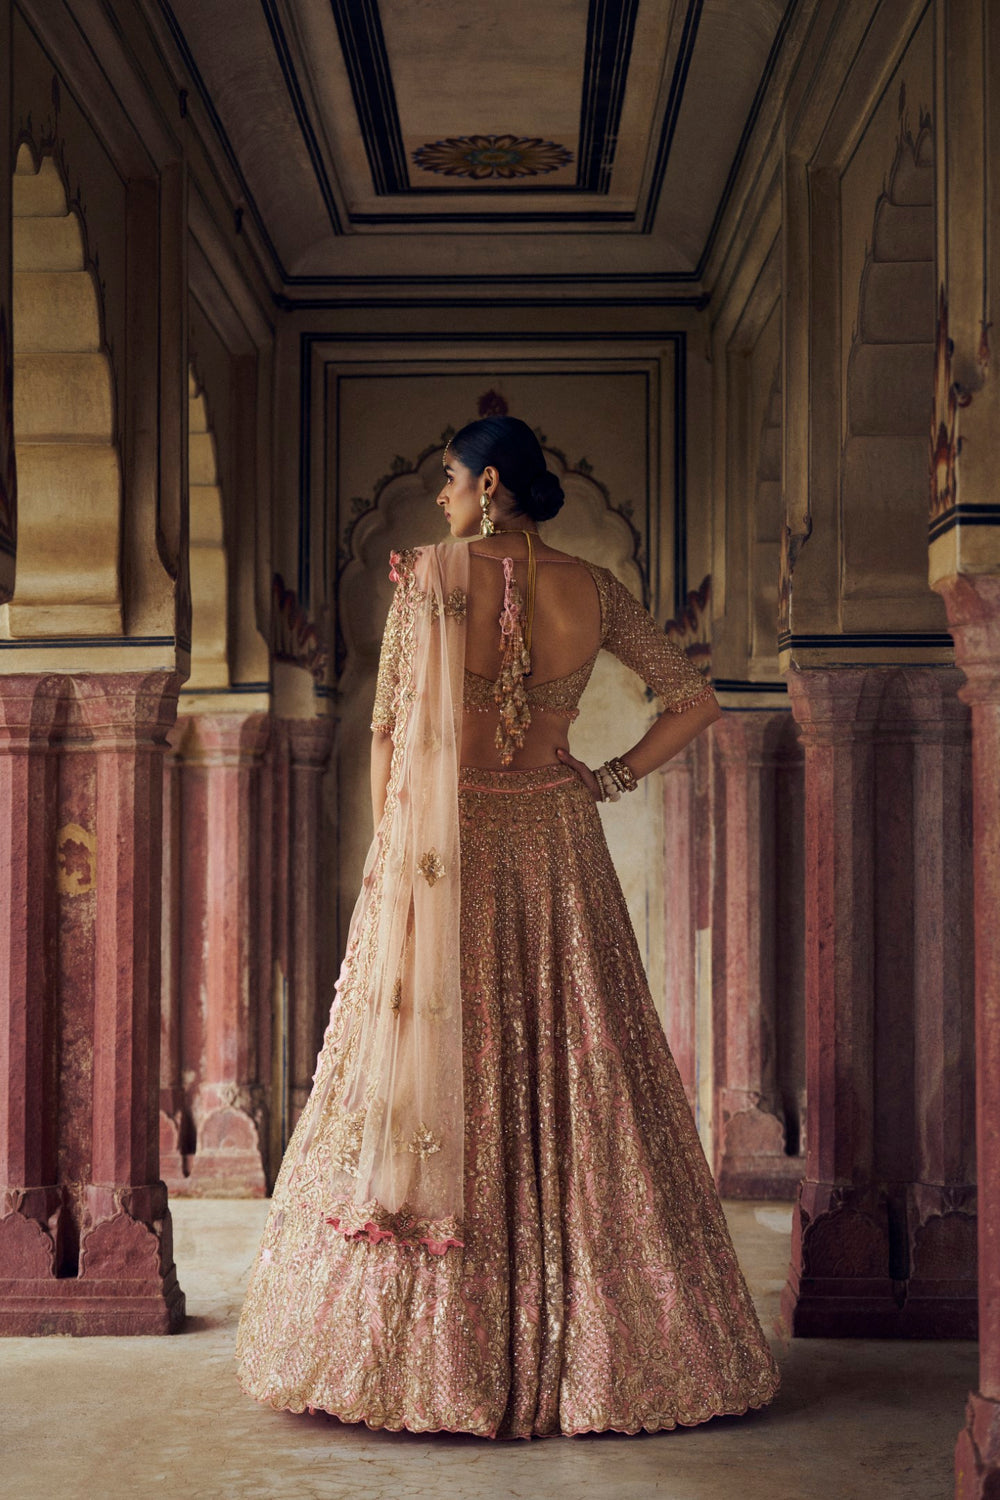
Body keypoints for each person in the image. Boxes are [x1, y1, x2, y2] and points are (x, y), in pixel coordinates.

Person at [235, 415, 781, 1438]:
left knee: (446, 1066)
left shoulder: (430, 579)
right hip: (559, 840)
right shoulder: (591, 588)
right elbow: (693, 699)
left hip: (446, 852)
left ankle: (432, 1357)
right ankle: (601, 1353)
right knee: (580, 1072)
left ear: (488, 485)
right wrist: (608, 775)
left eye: (447, 480)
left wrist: (385, 869)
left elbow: (391, 734)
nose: (439, 497)